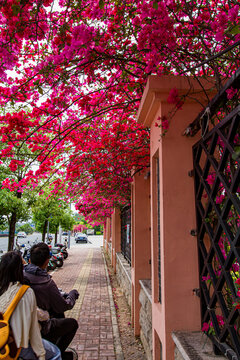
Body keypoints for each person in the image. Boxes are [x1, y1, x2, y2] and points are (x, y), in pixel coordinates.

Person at [0, 251, 61, 360]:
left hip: (2, 342)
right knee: (56, 353)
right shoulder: (25, 292)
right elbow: (33, 329)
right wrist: (41, 354)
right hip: (18, 346)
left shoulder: (2, 289)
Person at [23, 243, 79, 360]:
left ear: (29, 259)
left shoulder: (21, 275)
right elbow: (63, 306)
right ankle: (57, 352)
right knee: (72, 324)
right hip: (37, 327)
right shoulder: (45, 283)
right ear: (47, 261)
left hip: (22, 324)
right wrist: (73, 294)